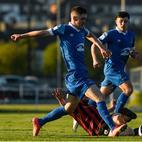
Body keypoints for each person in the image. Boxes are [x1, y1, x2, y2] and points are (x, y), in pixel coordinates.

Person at [11, 6, 122, 137]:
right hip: (77, 76)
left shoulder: (82, 30)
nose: (84, 21)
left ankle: (40, 121)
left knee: (69, 108)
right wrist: (21, 36)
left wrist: (101, 47)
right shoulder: (64, 29)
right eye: (82, 19)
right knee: (100, 97)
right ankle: (113, 128)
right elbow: (42, 32)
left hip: (77, 77)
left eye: (85, 19)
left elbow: (91, 35)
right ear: (74, 18)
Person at [91, 11, 140, 114]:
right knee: (128, 89)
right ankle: (117, 114)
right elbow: (94, 44)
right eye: (121, 21)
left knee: (99, 97)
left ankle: (84, 112)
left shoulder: (131, 35)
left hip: (118, 69)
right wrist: (95, 59)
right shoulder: (110, 34)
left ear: (128, 22)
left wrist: (133, 54)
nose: (123, 23)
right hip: (112, 69)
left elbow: (130, 50)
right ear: (116, 22)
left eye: (125, 21)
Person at [52, 88, 138, 136]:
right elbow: (65, 107)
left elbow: (100, 112)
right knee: (119, 125)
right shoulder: (73, 108)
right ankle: (122, 127)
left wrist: (111, 108)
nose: (86, 96)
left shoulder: (87, 104)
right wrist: (60, 99)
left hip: (104, 121)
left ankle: (128, 121)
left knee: (118, 118)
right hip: (96, 128)